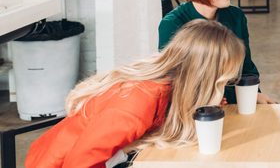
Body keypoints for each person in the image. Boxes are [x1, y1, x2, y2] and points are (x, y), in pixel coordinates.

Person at [26, 20, 245, 168]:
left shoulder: (168, 86)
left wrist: (206, 105)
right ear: (203, 78)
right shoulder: (138, 100)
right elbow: (79, 163)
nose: (223, 86)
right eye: (222, 81)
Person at [159, 0, 275, 104]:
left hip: (233, 101)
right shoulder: (172, 24)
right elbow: (175, 85)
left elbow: (246, 68)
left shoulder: (236, 16)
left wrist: (252, 94)